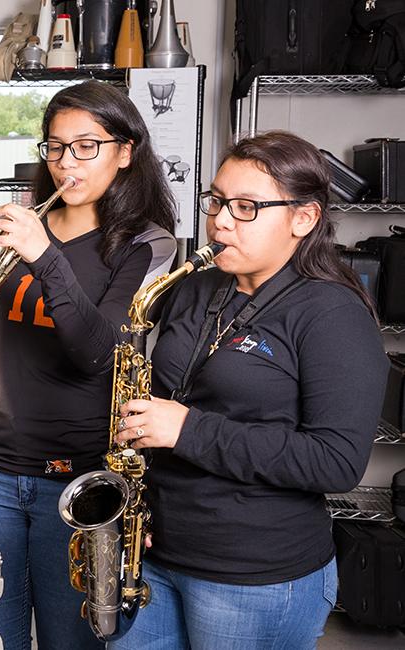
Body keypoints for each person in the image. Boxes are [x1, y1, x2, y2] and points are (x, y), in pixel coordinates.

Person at [108, 131, 388, 650]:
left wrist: (187, 429)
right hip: (156, 553)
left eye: (245, 207)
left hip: (256, 576)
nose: (220, 221)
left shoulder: (334, 315)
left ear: (303, 219)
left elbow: (335, 462)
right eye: (216, 201)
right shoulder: (192, 288)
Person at [0, 80, 178, 650]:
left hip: (74, 477)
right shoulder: (24, 229)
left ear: (125, 153)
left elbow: (98, 352)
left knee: (70, 640)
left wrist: (43, 256)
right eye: (55, 147)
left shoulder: (147, 246)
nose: (66, 162)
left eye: (85, 146)